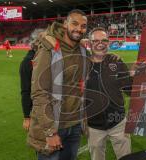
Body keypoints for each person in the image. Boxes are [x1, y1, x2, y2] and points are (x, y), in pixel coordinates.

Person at [27, 9, 90, 160]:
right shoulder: (48, 49)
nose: (79, 29)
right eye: (74, 23)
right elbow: (39, 93)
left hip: (74, 126)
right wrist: (50, 132)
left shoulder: (82, 50)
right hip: (54, 127)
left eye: (83, 26)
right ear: (65, 24)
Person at [85, 27, 133, 160]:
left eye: (104, 40)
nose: (100, 43)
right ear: (89, 43)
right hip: (93, 125)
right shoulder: (82, 65)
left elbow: (129, 89)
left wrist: (136, 77)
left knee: (126, 157)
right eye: (96, 41)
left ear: (108, 43)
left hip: (118, 122)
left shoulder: (116, 61)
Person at [19, 29, 45, 131]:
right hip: (38, 110)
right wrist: (26, 117)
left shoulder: (46, 57)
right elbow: (26, 90)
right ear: (36, 43)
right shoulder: (27, 62)